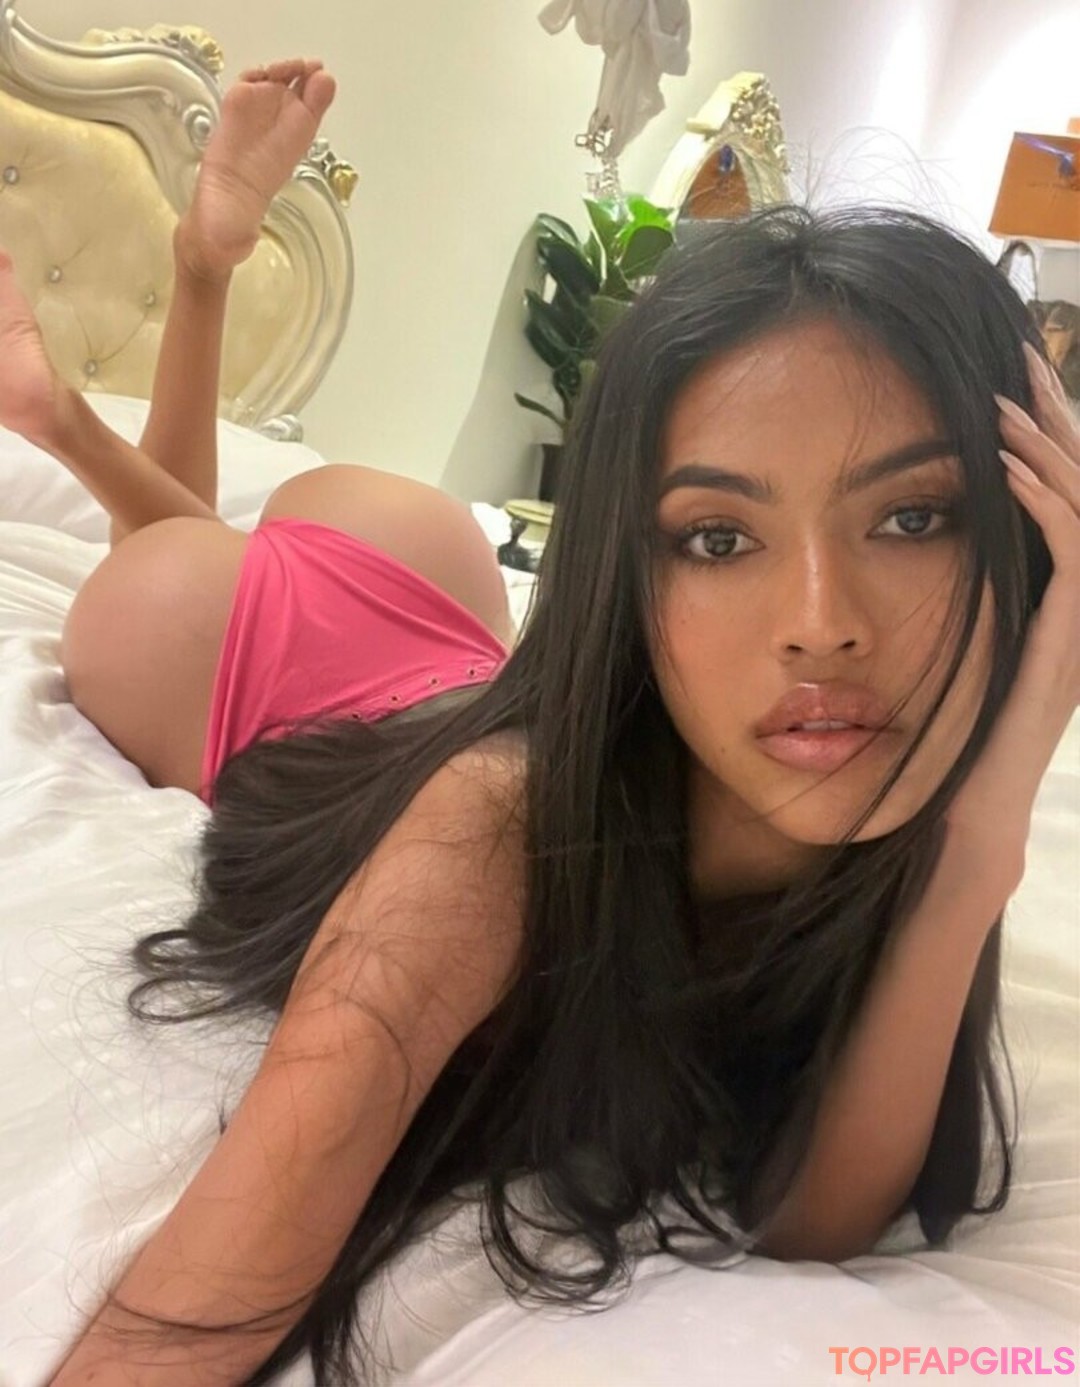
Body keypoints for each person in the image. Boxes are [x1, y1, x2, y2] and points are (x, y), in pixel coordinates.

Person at [0, 58, 1077, 1387]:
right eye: (718, 535)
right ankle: (87, 389)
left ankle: (174, 316)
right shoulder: (489, 848)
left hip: (453, 635)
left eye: (912, 518)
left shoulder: (894, 774)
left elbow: (821, 1216)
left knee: (243, 541)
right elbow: (171, 1328)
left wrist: (984, 836)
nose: (822, 627)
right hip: (310, 710)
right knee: (168, 569)